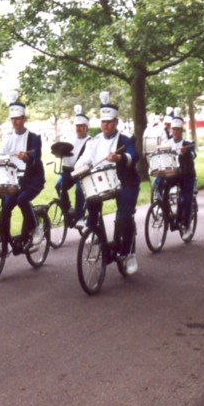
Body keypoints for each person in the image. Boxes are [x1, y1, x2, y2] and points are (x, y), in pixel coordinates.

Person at [73, 91, 140, 274]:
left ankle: (128, 253)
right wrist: (80, 169)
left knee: (124, 218)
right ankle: (95, 232)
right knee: (91, 203)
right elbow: (84, 159)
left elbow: (134, 156)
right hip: (101, 183)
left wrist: (119, 157)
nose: (106, 125)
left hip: (126, 183)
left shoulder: (126, 140)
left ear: (116, 122)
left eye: (109, 122)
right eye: (103, 122)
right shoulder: (94, 141)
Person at [0, 92, 45, 250]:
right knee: (5, 208)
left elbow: (36, 155)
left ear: (24, 119)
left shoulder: (34, 138)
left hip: (33, 180)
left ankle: (37, 228)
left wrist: (27, 158)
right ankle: (3, 242)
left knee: (22, 200)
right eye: (13, 119)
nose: (15, 122)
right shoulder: (7, 137)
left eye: (18, 118)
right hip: (14, 181)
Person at [55, 105, 90, 228]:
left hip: (82, 173)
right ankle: (69, 209)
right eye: (77, 126)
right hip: (68, 171)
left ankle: (80, 217)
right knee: (58, 186)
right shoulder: (70, 139)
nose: (78, 128)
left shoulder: (90, 141)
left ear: (86, 127)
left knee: (79, 190)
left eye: (81, 126)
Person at [161, 117, 196, 234]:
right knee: (162, 188)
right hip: (174, 174)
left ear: (182, 131)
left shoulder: (187, 143)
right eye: (173, 129)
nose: (175, 132)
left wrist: (186, 152)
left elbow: (192, 153)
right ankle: (166, 214)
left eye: (178, 129)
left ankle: (186, 225)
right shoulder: (167, 143)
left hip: (187, 175)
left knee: (185, 198)